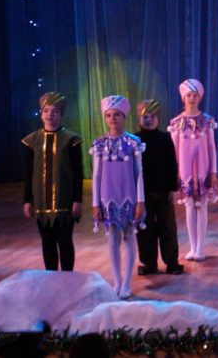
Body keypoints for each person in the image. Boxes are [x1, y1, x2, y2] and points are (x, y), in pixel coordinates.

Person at [90, 95, 145, 299]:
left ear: (124, 117)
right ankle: (117, 282)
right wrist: (95, 203)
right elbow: (96, 175)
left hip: (129, 195)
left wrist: (140, 200)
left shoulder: (133, 142)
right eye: (109, 115)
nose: (113, 118)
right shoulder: (99, 144)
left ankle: (127, 283)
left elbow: (139, 173)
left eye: (117, 115)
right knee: (112, 238)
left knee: (129, 236)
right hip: (108, 197)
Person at [22, 92, 83, 271]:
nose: (50, 115)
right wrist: (27, 200)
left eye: (54, 111)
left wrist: (77, 200)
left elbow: (78, 172)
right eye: (46, 111)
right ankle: (51, 278)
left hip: (65, 200)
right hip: (41, 200)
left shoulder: (71, 140)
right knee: (47, 242)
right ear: (41, 114)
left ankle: (67, 278)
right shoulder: (32, 141)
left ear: (61, 114)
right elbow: (28, 172)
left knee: (64, 240)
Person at [170, 79, 218, 261]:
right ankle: (192, 247)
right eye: (188, 95)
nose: (191, 98)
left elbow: (212, 147)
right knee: (189, 206)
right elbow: (174, 151)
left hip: (204, 170)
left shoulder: (207, 121)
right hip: (185, 172)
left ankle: (200, 248)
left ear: (200, 97)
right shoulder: (176, 122)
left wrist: (213, 172)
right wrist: (175, 173)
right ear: (183, 98)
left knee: (202, 206)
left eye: (195, 95)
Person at [134, 99, 184, 276]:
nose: (148, 120)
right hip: (142, 193)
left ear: (158, 118)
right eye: (145, 117)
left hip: (163, 190)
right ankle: (148, 263)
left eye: (152, 116)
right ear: (139, 119)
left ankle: (172, 262)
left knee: (167, 227)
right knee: (144, 228)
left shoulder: (164, 138)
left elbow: (172, 164)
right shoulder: (134, 140)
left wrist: (173, 188)